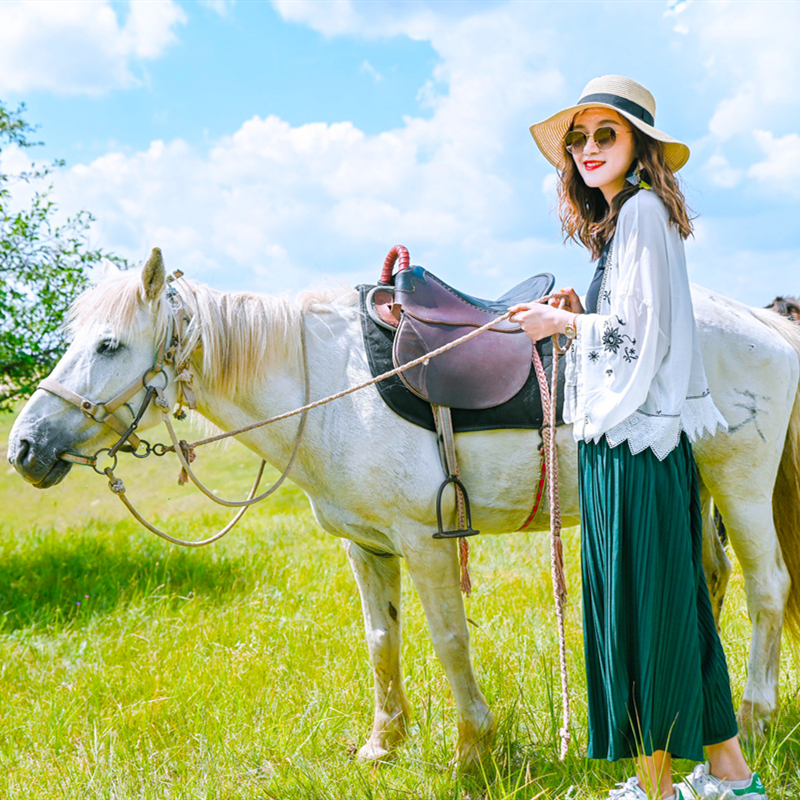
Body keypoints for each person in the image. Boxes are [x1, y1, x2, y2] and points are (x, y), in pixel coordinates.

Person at [507, 76, 767, 800]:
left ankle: (654, 791)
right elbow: (625, 318)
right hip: (622, 444)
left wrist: (564, 326)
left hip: (634, 447)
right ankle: (730, 775)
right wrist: (577, 306)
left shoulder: (644, 212)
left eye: (605, 135)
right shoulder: (624, 223)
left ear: (638, 146)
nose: (589, 150)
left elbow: (642, 339)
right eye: (579, 140)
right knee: (672, 606)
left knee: (642, 615)